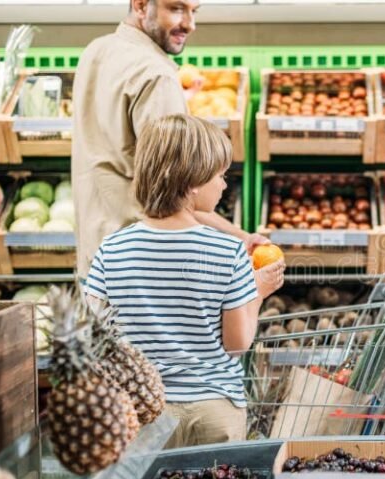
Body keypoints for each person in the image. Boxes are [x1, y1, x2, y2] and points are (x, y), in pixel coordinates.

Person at [85, 114, 285, 447]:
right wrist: (258, 292)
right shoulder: (228, 251)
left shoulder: (111, 249)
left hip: (142, 412)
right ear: (192, 182)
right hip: (213, 412)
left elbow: (95, 334)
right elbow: (237, 343)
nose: (224, 185)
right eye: (220, 176)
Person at [72, 0, 269, 284]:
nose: (190, 24)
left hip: (96, 260)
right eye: (176, 9)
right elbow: (176, 197)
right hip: (143, 273)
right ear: (141, 5)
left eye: (194, 11)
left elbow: (116, 141)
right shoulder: (156, 77)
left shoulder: (96, 51)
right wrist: (241, 238)